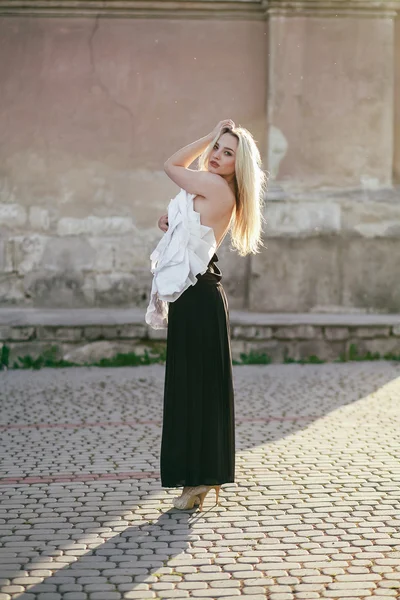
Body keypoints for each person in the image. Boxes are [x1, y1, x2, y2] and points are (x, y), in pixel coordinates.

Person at [158, 119, 268, 511]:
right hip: (196, 297)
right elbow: (191, 232)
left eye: (227, 152)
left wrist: (206, 136)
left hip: (199, 300)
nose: (217, 156)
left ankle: (200, 480)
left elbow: (171, 165)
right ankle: (197, 479)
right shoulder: (216, 189)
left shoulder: (216, 186)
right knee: (194, 391)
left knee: (197, 392)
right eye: (217, 148)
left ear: (239, 166)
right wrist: (171, 225)